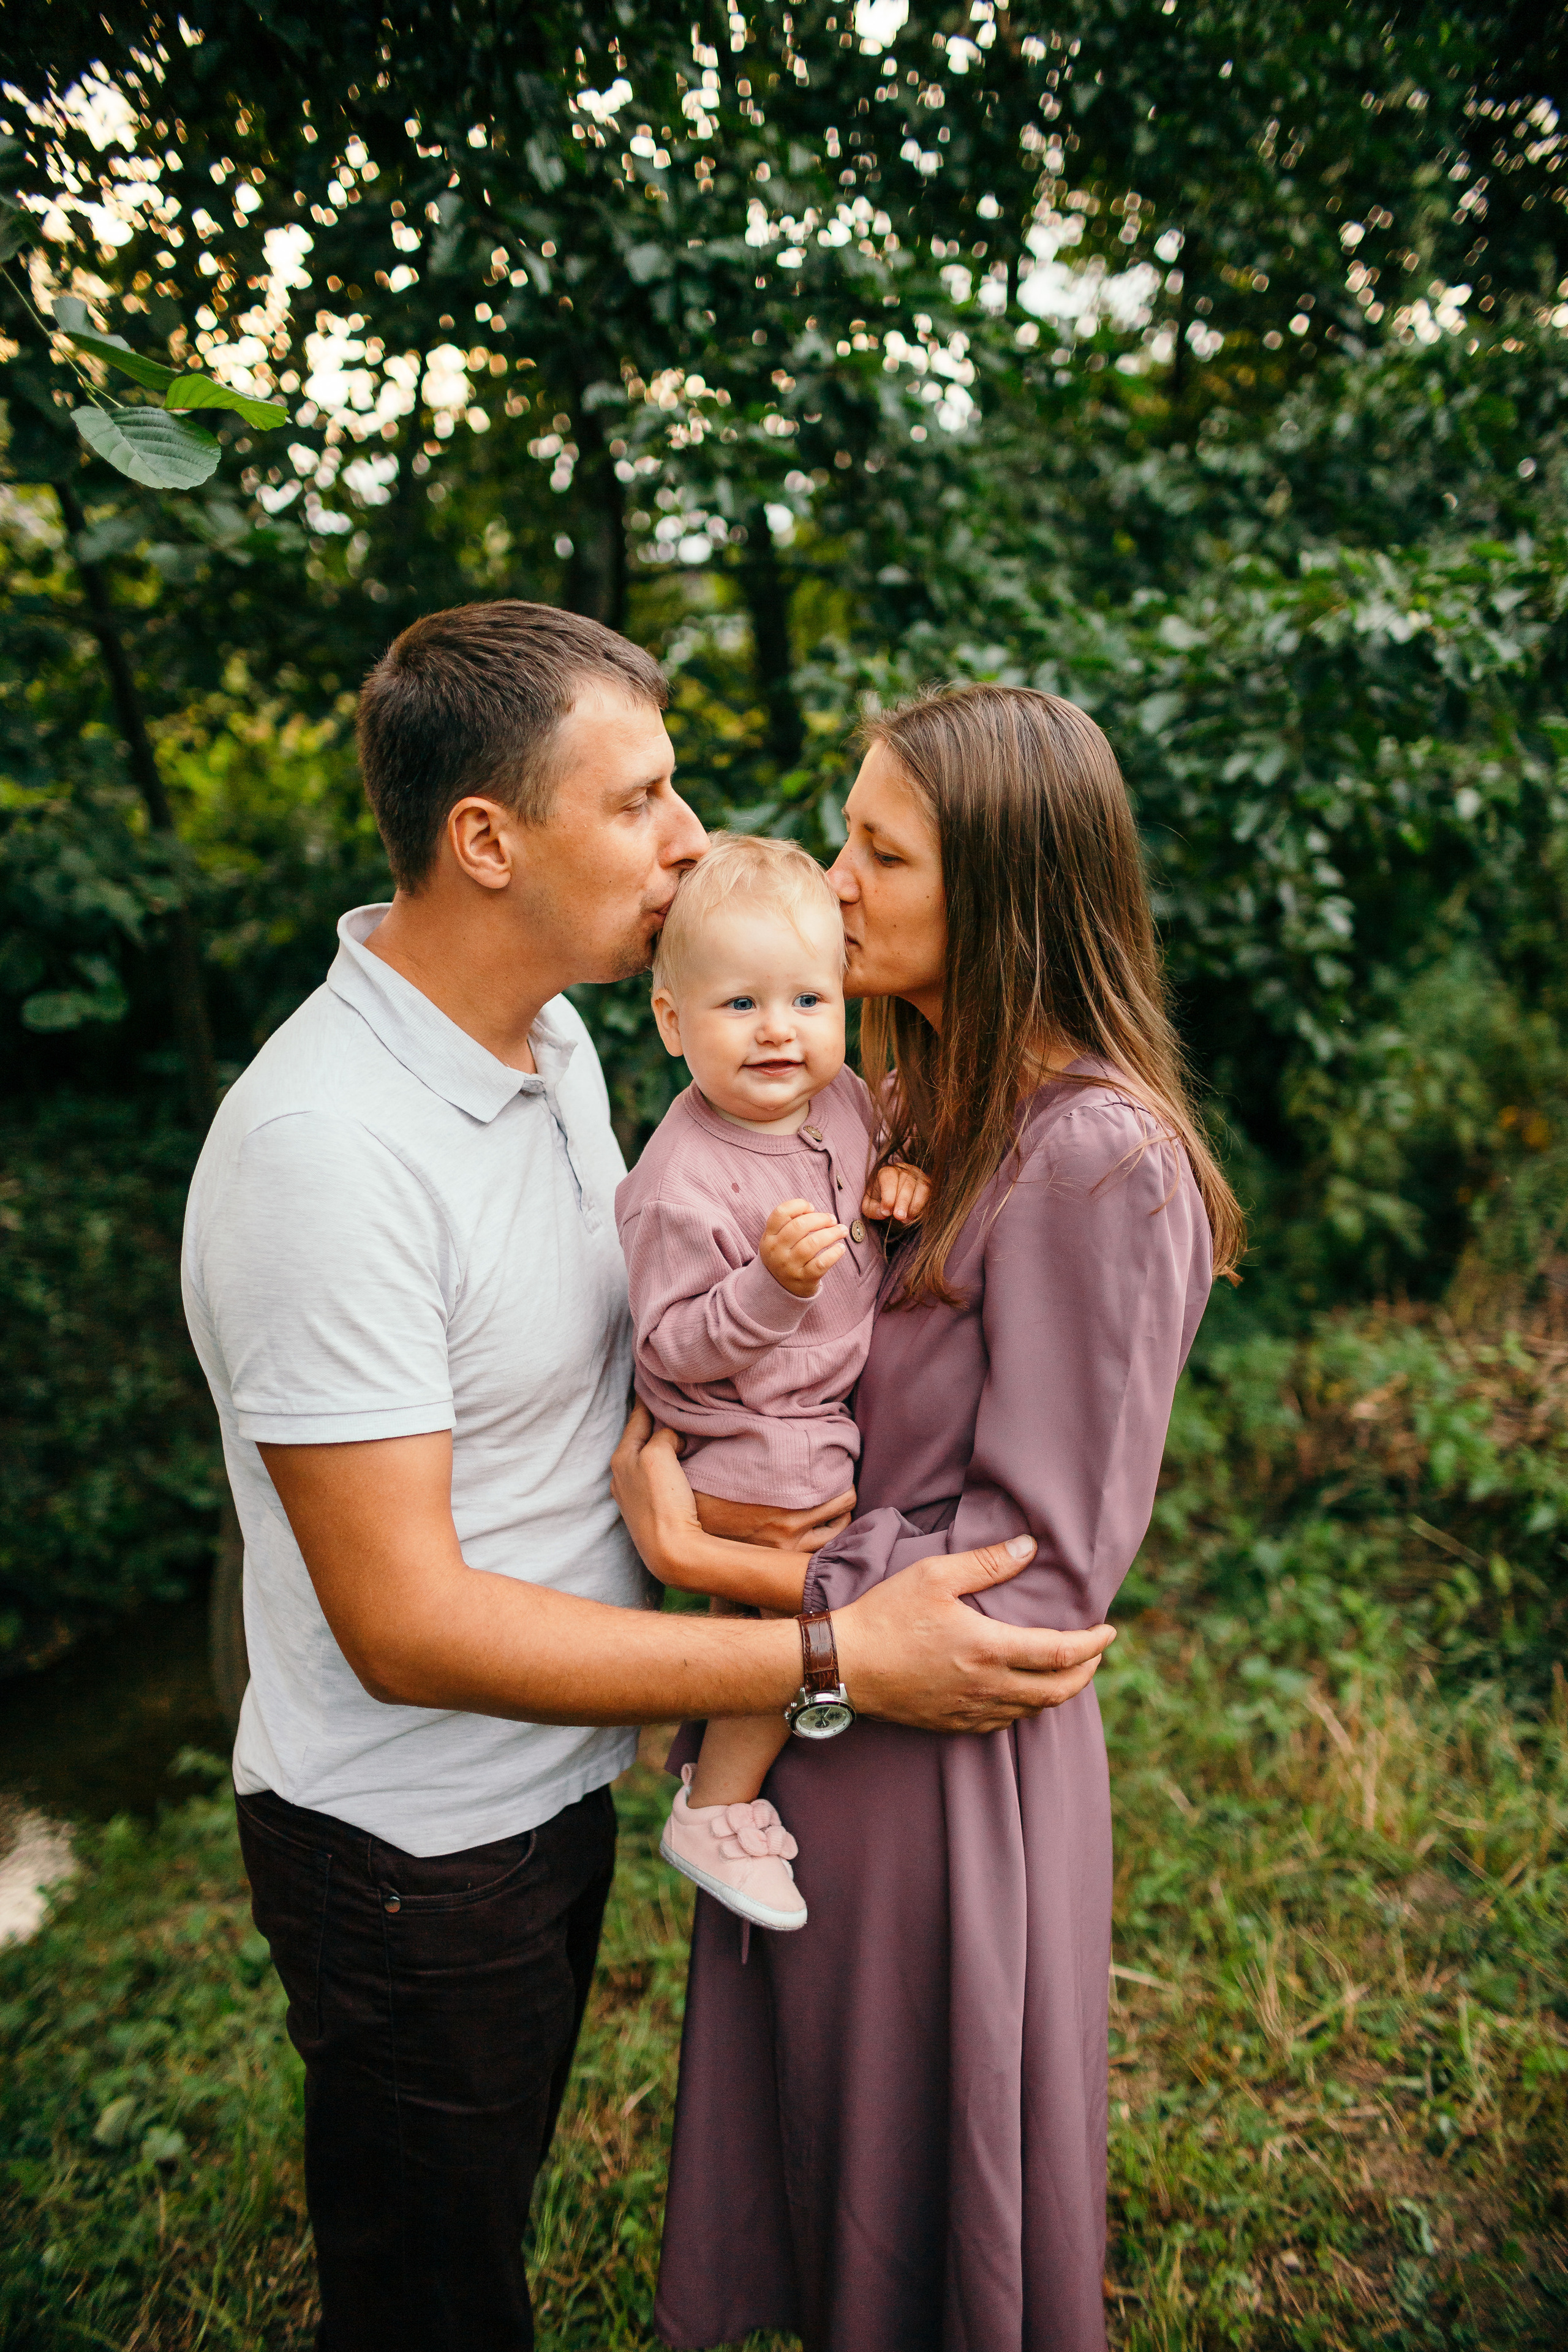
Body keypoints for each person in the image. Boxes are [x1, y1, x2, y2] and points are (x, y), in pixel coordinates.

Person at [180, 604, 1119, 2352]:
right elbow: (405, 1624)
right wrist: (829, 1652)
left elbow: (662, 1345)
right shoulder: (325, 1152)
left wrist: (689, 1482)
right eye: (642, 799)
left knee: (488, 2236)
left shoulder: (552, 1051)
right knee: (432, 2301)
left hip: (552, 1786)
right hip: (412, 1844)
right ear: (487, 840)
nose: (694, 839)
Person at [616, 682, 1246, 2352]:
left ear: (1007, 891)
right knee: (833, 2186)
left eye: (878, 853)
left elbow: (1038, 1587)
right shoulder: (914, 1117)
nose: (832, 882)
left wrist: (740, 1584)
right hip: (835, 1719)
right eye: (844, 840)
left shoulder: (1098, 1157)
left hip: (942, 1763)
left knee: (922, 2215)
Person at [614, 834, 929, 1932]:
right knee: (787, 1587)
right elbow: (666, 1350)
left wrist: (894, 1178)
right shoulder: (678, 1181)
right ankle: (717, 1800)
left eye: (806, 997)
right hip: (749, 1427)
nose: (778, 1030)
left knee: (783, 1590)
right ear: (672, 1023)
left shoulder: (840, 1096)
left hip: (819, 1403)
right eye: (739, 1004)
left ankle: (723, 1759)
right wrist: (768, 1288)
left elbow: (875, 1149)